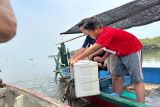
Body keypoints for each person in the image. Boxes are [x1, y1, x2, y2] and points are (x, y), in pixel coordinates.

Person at [70, 18, 145, 103]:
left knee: (137, 79)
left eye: (90, 33)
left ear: (97, 28)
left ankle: (141, 103)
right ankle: (117, 100)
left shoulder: (107, 33)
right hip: (118, 53)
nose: (89, 35)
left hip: (132, 50)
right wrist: (103, 58)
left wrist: (76, 59)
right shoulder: (98, 35)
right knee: (117, 76)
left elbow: (92, 49)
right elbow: (109, 48)